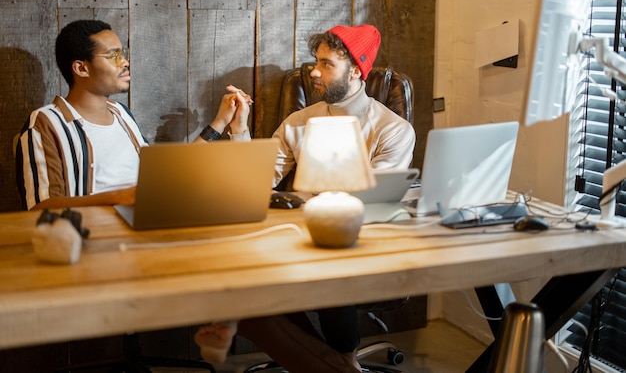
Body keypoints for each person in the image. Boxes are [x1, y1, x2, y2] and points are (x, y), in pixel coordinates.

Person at [194, 24, 416, 373]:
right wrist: (238, 128)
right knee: (243, 271)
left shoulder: (393, 130)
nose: (314, 71)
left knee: (324, 268)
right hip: (299, 235)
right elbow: (256, 181)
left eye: (327, 64)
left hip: (361, 242)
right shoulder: (300, 122)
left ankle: (334, 362)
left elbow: (374, 202)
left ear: (357, 70)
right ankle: (335, 365)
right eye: (316, 61)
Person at [16, 19, 249, 211]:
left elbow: (160, 178)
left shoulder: (121, 114)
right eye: (114, 56)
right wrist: (120, 197)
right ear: (81, 68)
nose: (125, 62)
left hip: (147, 221)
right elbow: (41, 208)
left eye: (123, 54)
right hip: (95, 238)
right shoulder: (45, 123)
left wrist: (220, 122)